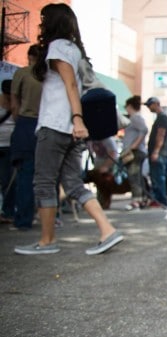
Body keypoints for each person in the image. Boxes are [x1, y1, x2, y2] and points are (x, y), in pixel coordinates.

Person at [15, 3, 123, 255]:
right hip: (72, 129)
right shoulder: (74, 49)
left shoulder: (57, 47)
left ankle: (47, 241)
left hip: (56, 125)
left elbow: (70, 88)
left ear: (51, 23)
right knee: (73, 183)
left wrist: (76, 118)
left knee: (43, 182)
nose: (40, 24)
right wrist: (77, 121)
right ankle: (107, 230)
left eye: (43, 20)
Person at [9, 44, 42, 230]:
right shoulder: (48, 75)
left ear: (29, 57)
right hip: (46, 124)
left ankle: (23, 219)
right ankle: (51, 217)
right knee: (47, 175)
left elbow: (14, 105)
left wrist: (19, 119)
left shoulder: (22, 74)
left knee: (25, 175)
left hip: (26, 123)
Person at [144, 96, 167, 208]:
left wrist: (156, 151)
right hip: (163, 152)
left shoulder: (162, 118)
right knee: (158, 176)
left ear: (156, 103)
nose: (148, 108)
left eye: (149, 105)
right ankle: (159, 199)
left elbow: (160, 135)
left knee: (158, 177)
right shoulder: (162, 118)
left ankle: (160, 200)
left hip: (160, 153)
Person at [120, 95, 148, 211]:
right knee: (137, 176)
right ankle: (141, 199)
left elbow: (144, 130)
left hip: (135, 151)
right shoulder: (134, 118)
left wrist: (134, 145)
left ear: (129, 106)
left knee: (134, 176)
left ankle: (136, 200)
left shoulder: (135, 117)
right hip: (135, 151)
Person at [0, 80, 16, 225]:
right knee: (6, 180)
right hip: (5, 144)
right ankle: (7, 211)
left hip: (10, 145)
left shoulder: (16, 104)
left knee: (8, 181)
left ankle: (8, 211)